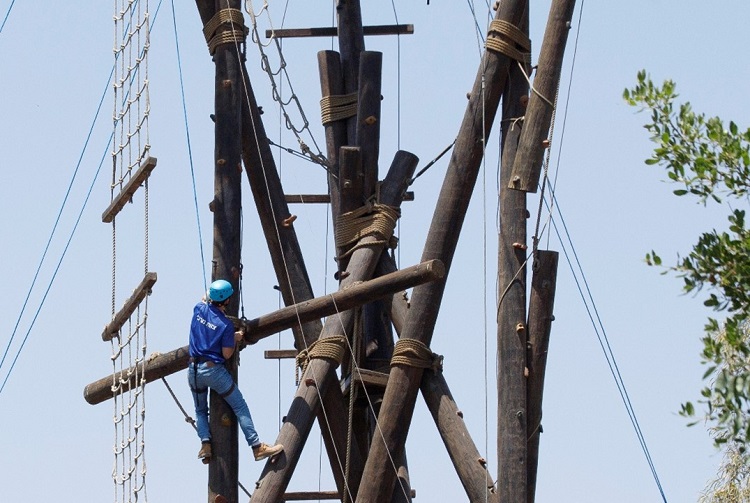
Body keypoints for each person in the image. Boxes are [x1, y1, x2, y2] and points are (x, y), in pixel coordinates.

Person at [187, 279, 283, 464]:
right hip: (212, 371)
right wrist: (235, 338)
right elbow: (226, 354)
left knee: (200, 410)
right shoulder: (225, 325)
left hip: (193, 371)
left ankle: (205, 444)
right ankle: (257, 447)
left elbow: (204, 298)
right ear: (227, 301)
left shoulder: (199, 309)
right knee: (239, 406)